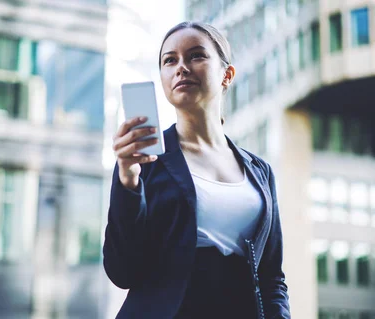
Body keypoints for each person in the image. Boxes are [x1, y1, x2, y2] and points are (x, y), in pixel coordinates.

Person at [103, 21, 290, 319]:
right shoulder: (143, 159)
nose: (181, 67)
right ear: (163, 77)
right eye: (170, 60)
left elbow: (272, 277)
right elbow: (121, 271)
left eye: (196, 56)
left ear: (226, 74)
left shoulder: (260, 172)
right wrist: (128, 179)